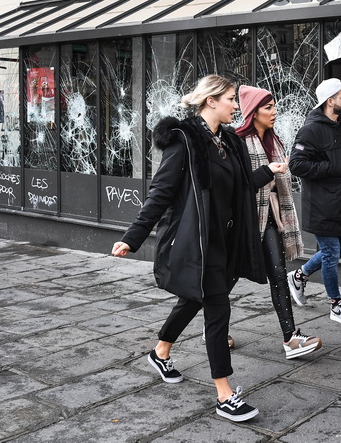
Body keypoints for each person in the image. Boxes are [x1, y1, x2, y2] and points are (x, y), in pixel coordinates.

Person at [110, 75, 285, 423]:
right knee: (218, 310)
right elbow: (160, 193)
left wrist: (268, 171)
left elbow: (240, 187)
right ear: (211, 101)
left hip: (225, 242)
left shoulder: (229, 142)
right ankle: (224, 394)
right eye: (231, 99)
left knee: (193, 299)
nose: (236, 106)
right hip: (199, 243)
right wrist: (133, 236)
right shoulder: (185, 141)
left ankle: (161, 351)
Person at [235, 85, 323, 359]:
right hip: (243, 219)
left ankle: (290, 339)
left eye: (274, 106)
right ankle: (212, 325)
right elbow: (238, 186)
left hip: (271, 216)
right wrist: (267, 172)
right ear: (253, 112)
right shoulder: (238, 143)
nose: (274, 112)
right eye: (268, 107)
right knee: (227, 277)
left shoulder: (275, 142)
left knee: (278, 274)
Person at [287, 78, 341, 325]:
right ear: (330, 101)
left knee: (338, 251)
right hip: (320, 204)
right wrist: (330, 167)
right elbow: (296, 165)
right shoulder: (311, 130)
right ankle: (336, 305)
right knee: (331, 253)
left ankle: (298, 276)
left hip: (340, 202)